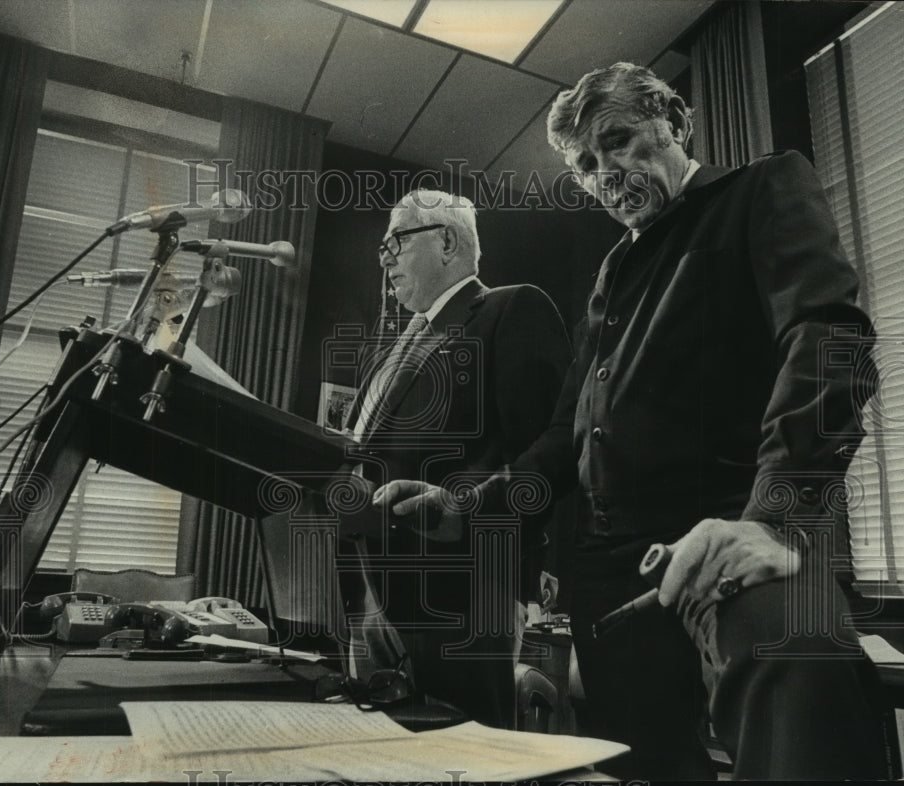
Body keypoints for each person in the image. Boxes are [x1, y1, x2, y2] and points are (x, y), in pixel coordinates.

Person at [375, 64, 890, 779]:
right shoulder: (610, 275)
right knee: (642, 767)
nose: (605, 171)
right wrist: (467, 505)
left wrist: (778, 517)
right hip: (611, 587)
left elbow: (829, 340)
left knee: (801, 674)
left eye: (617, 141)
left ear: (674, 122)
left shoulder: (760, 190)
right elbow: (565, 439)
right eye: (586, 165)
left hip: (729, 540)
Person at [339, 189, 571, 729]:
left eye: (396, 240)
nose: (384, 257)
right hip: (369, 591)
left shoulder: (511, 308)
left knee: (462, 755)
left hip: (462, 595)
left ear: (446, 240)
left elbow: (548, 451)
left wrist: (461, 503)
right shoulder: (394, 350)